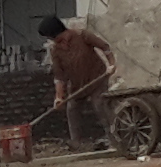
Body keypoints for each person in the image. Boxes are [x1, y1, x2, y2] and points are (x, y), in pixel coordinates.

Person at [37, 16, 117, 147]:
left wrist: (111, 64)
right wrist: (59, 97)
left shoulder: (82, 35)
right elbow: (59, 76)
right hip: (77, 85)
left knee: (100, 106)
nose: (52, 41)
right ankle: (76, 142)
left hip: (97, 80)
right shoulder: (55, 50)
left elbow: (105, 47)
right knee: (72, 109)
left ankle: (114, 139)